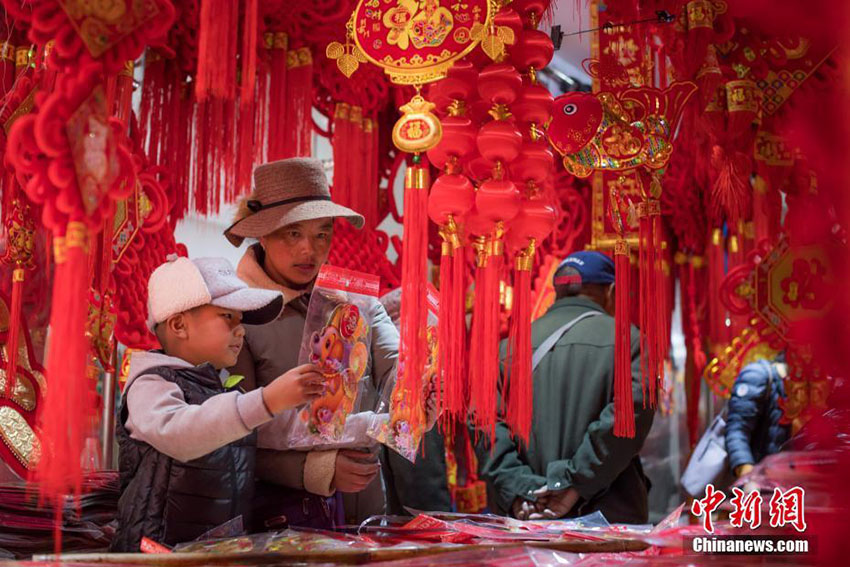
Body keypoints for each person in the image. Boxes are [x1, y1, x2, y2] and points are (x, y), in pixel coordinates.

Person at [225, 157, 402, 528]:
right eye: (293, 233)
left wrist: (422, 385)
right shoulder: (234, 315)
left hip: (365, 511)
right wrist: (315, 469)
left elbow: (396, 364)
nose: (309, 250)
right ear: (264, 233)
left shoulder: (359, 303)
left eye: (322, 233)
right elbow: (229, 434)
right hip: (280, 521)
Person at [111, 256, 324, 551]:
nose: (242, 330)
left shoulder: (216, 389)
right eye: (228, 317)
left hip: (212, 552)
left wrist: (369, 426)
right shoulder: (150, 384)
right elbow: (180, 433)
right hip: (155, 554)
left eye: (241, 320)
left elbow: (282, 430)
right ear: (179, 325)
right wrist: (268, 399)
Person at [481, 251, 655, 524]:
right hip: (608, 517)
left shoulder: (507, 348)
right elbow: (627, 417)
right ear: (611, 292)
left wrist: (519, 490)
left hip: (525, 516)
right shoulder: (631, 342)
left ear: (557, 292)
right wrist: (572, 483)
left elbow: (484, 424)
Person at [726, 356, 790, 478]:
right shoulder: (756, 375)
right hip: (765, 482)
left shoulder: (830, 378)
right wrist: (748, 475)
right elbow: (737, 431)